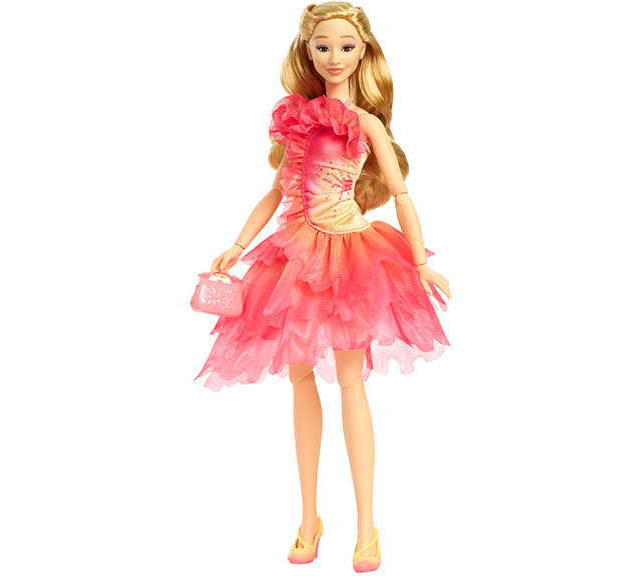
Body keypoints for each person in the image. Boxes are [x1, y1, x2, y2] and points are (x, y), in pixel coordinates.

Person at [193, 2, 452, 571]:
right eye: (323, 46)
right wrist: (238, 244)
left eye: (347, 46)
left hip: (352, 258)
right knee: (300, 379)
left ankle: (367, 526)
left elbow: (401, 194)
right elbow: (276, 190)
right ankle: (309, 519)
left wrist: (419, 261)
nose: (335, 56)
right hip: (294, 260)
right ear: (307, 52)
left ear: (364, 53)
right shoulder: (298, 118)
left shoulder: (367, 124)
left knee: (351, 383)